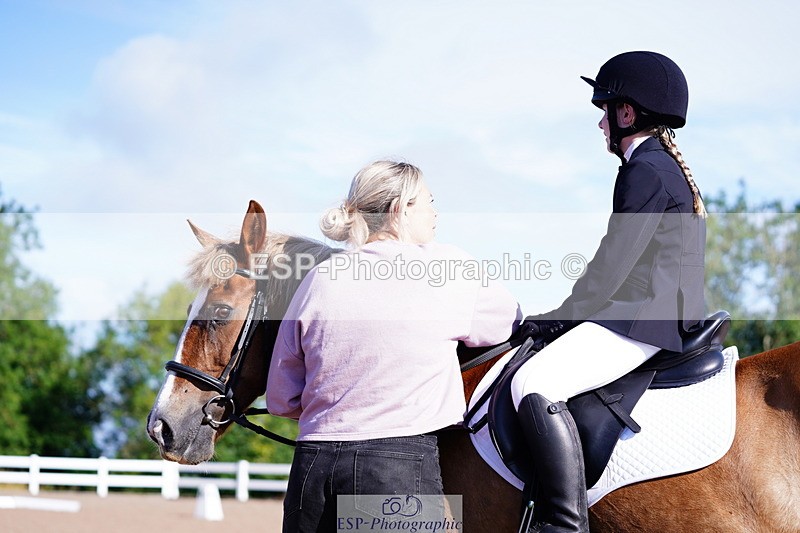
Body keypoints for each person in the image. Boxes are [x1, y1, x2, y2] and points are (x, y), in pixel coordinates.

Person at [267, 160, 521, 532]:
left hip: (312, 469)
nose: (435, 212)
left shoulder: (319, 278)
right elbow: (508, 323)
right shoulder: (446, 267)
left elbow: (281, 398)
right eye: (429, 200)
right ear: (401, 208)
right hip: (396, 466)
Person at [511, 51, 707, 532]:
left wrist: (559, 317)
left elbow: (612, 263)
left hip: (643, 319)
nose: (600, 124)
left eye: (605, 110)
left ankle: (562, 521)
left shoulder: (646, 169)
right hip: (649, 312)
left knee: (530, 384)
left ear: (627, 113)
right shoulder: (657, 166)